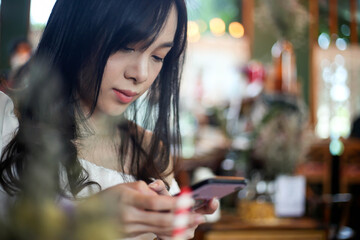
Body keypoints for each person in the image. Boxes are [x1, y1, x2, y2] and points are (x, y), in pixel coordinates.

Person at [0, 0, 218, 239]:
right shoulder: (6, 119)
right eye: (126, 46)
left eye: (158, 56)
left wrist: (172, 231)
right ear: (80, 29)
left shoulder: (150, 152)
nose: (141, 74)